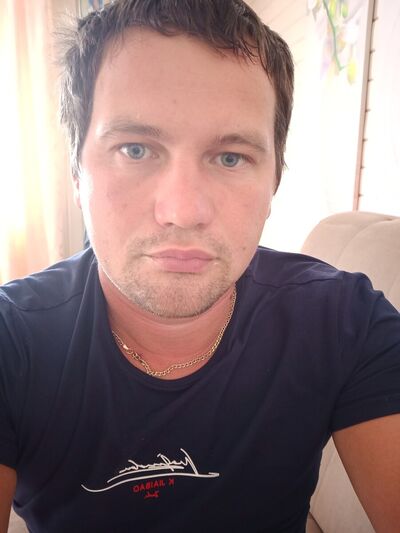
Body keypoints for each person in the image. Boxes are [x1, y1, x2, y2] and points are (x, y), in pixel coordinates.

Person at [0, 1, 399, 531]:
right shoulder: (13, 342)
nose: (183, 211)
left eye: (230, 157)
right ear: (77, 172)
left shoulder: (347, 323)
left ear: (274, 180)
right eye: (135, 149)